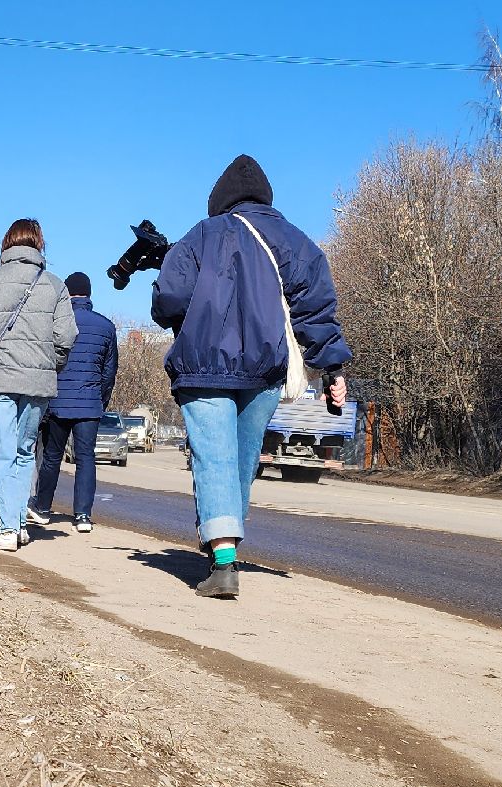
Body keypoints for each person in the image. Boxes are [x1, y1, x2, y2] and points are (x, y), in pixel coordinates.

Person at [152, 155, 351, 598]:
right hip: (264, 369)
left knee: (213, 457)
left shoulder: (200, 237)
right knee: (241, 462)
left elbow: (168, 298)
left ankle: (222, 560)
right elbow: (315, 310)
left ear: (219, 200)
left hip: (204, 367)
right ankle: (224, 549)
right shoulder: (296, 242)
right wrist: (332, 367)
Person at [0, 218, 78, 552]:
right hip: (39, 381)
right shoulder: (55, 284)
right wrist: (50, 363)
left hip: (0, 377)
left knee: (1, 453)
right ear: (38, 244)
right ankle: (17, 522)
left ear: (6, 244)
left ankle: (7, 527)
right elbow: (66, 336)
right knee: (24, 450)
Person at [29, 271, 118, 533]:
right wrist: (99, 400)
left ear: (66, 294)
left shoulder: (56, 324)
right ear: (89, 294)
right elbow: (109, 372)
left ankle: (42, 508)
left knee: (52, 456)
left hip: (58, 401)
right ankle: (83, 517)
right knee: (86, 457)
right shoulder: (106, 326)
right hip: (89, 403)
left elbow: (46, 363)